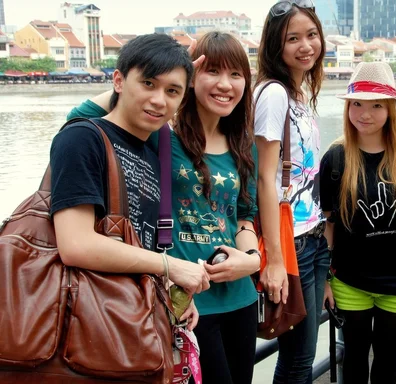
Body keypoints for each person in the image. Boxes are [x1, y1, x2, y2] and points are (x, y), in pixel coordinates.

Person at [68, 32, 261, 384]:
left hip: (241, 297)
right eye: (212, 71)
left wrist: (251, 260)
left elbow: (245, 217)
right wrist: (169, 67)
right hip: (186, 302)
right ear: (192, 82)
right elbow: (82, 118)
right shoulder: (158, 133)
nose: (224, 84)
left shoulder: (243, 144)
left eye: (236, 75)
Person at [52, 34, 210, 320]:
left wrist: (168, 287)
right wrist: (169, 265)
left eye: (173, 91)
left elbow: (141, 243)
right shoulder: (83, 138)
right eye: (148, 83)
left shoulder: (153, 154)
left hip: (131, 317)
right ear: (119, 81)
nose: (158, 100)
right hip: (82, 318)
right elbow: (75, 245)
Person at [319, 62, 396, 384]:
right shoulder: (336, 158)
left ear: (390, 109)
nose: (364, 114)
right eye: (357, 104)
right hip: (349, 280)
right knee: (354, 357)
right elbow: (328, 223)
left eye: (376, 106)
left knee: (387, 358)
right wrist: (325, 279)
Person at [253, 0, 328, 382]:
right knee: (298, 359)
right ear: (275, 47)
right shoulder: (274, 94)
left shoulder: (300, 94)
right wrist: (276, 260)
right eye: (292, 38)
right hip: (290, 242)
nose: (306, 46)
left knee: (303, 354)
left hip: (312, 237)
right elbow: (266, 177)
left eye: (311, 35)